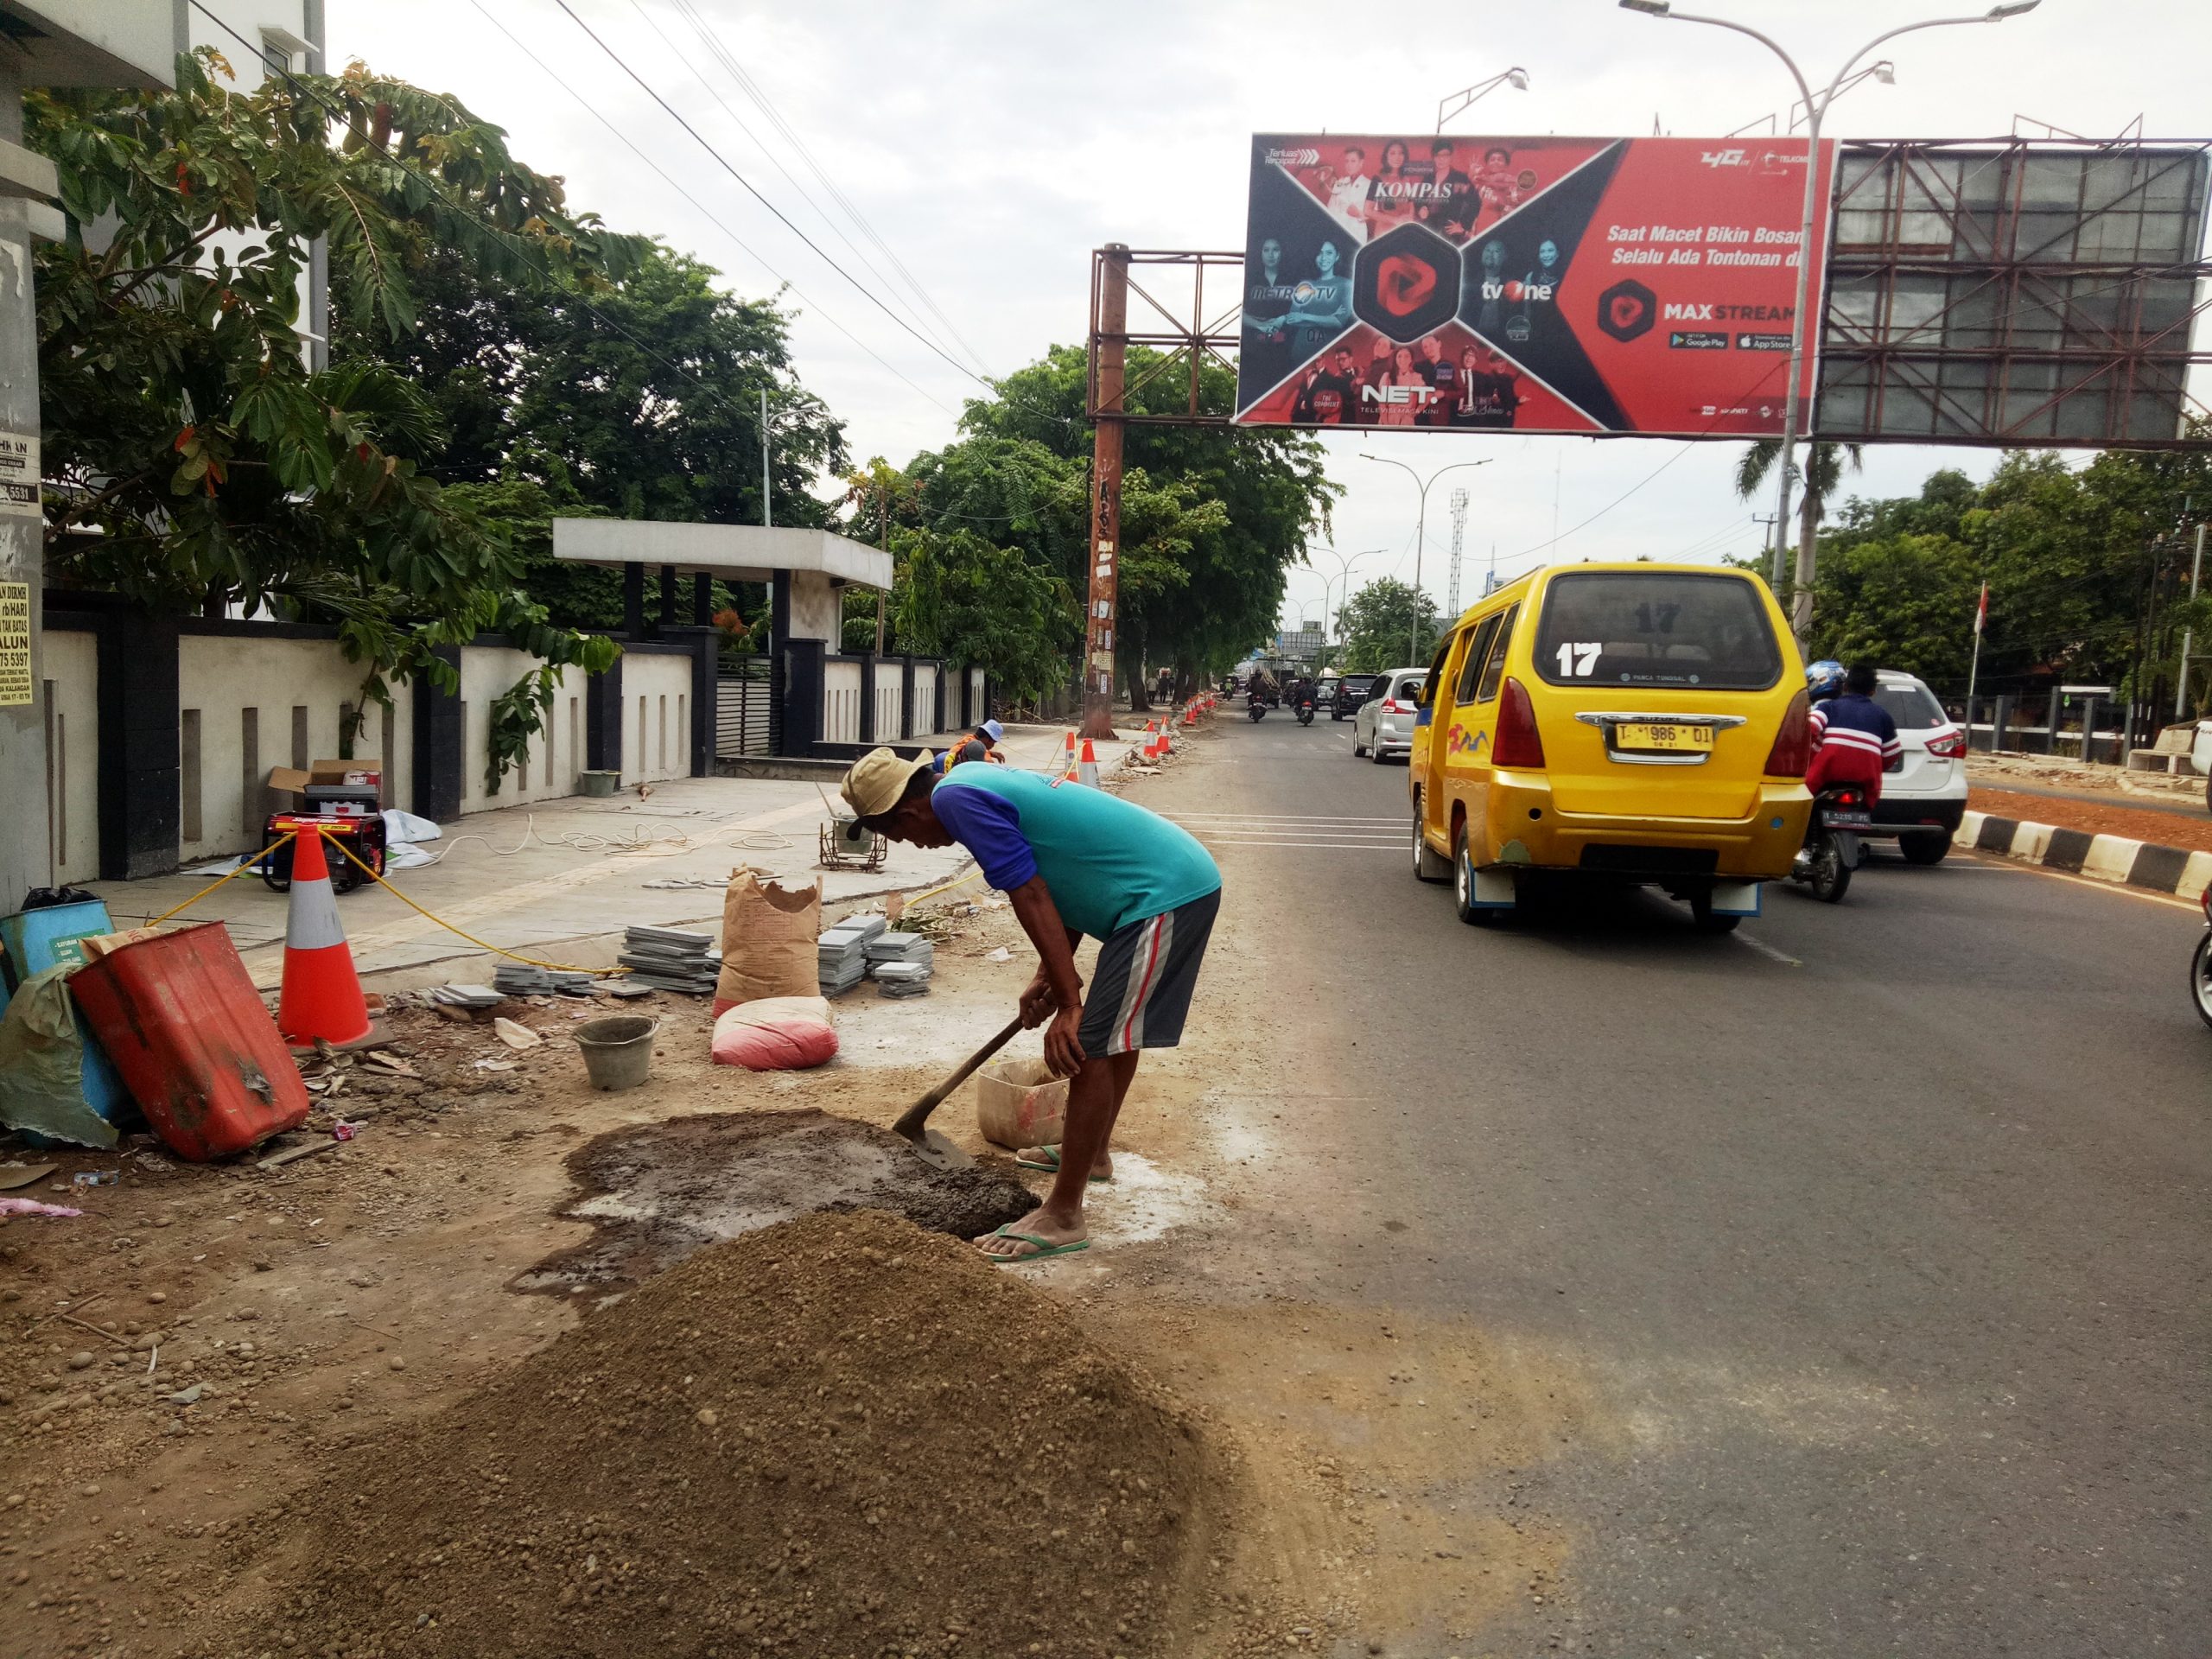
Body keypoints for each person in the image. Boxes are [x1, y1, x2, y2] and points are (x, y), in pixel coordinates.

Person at [841, 747, 1223, 1262]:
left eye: (902, 835)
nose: (917, 844)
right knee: (1113, 1035)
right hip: (1149, 894)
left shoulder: (956, 801)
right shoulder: (968, 779)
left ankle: (1064, 1214)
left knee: (1090, 1044)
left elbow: (1032, 893)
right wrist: (1048, 975)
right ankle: (1093, 1156)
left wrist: (1069, 1002)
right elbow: (1061, 877)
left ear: (905, 815)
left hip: (1164, 895)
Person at [1805, 663, 1900, 803]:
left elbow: (1808, 730)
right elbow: (1892, 755)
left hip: (1822, 780)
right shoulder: (1883, 717)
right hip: (1865, 789)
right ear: (1872, 691)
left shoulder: (1828, 708)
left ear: (1845, 687)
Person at [1277, 240, 1353, 357]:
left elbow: (1338, 322)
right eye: (1320, 253)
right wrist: (1328, 318)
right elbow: (1292, 320)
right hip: (1301, 350)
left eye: (1329, 253)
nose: (1323, 258)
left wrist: (1304, 316)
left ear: (1337, 256)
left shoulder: (1346, 284)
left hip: (1330, 352)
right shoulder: (1304, 284)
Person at [1325, 144, 1374, 241]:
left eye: (1353, 161)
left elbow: (1373, 215)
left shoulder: (1370, 185)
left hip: (1357, 233)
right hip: (1338, 231)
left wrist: (1358, 214)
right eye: (1346, 161)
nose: (1349, 165)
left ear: (1361, 163)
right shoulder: (1339, 183)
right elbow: (1330, 208)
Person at [1376, 343, 1426, 428]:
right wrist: (1386, 424)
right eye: (1399, 356)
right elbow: (1382, 404)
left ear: (1411, 359)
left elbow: (1429, 394)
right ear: (1395, 359)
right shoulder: (1387, 376)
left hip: (1406, 419)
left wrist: (1415, 412)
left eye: (1407, 356)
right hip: (1388, 417)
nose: (1403, 359)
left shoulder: (1416, 377)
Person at [941, 717, 1007, 772]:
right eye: (993, 742)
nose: (993, 745)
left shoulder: (968, 738)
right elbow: (989, 769)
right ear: (987, 738)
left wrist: (991, 753)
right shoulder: (980, 747)